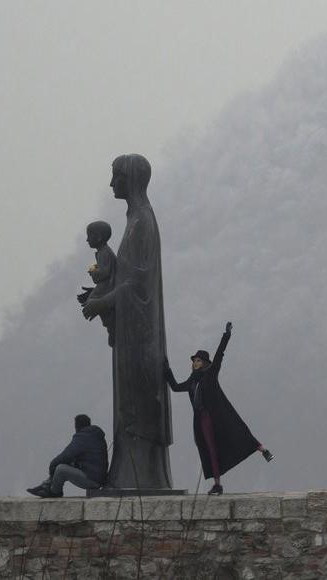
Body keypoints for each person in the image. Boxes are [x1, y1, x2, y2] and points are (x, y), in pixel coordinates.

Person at [81, 154, 173, 489]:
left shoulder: (142, 222)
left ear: (130, 179)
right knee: (129, 400)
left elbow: (136, 283)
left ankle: (138, 477)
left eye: (116, 176)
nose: (111, 184)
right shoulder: (135, 219)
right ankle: (129, 475)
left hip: (140, 333)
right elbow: (123, 276)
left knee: (137, 400)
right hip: (130, 330)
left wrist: (102, 302)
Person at [163, 322, 272, 495]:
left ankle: (262, 449)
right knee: (210, 449)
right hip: (202, 419)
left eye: (198, 361)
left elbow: (220, 354)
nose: (195, 363)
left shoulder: (210, 374)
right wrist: (166, 370)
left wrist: (226, 335)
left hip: (217, 416)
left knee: (238, 431)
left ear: (204, 363)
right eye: (194, 361)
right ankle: (217, 484)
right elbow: (175, 387)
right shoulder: (192, 381)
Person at [27, 414, 108, 498]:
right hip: (97, 477)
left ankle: (55, 492)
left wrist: (52, 466)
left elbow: (66, 455)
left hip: (92, 480)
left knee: (60, 469)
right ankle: (45, 485)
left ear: (77, 425)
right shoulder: (95, 436)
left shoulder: (83, 437)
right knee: (69, 463)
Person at [76, 220, 117, 346]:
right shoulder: (103, 252)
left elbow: (104, 273)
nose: (87, 240)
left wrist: (93, 271)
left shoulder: (104, 252)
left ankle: (112, 328)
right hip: (105, 286)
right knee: (90, 300)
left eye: (89, 236)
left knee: (92, 303)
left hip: (107, 287)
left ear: (98, 238)